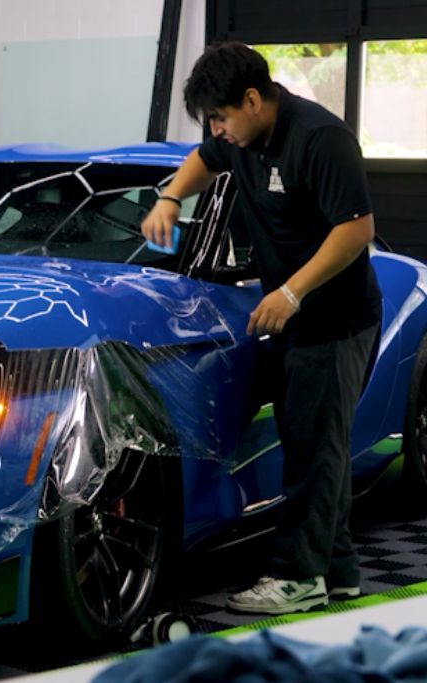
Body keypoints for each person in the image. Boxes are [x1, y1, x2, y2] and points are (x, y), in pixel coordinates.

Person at [141, 42, 381, 615]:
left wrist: (292, 291)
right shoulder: (240, 139)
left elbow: (357, 229)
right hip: (293, 317)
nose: (217, 131)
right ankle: (336, 571)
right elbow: (204, 158)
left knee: (312, 449)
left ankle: (297, 577)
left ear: (253, 99)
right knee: (315, 444)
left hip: (334, 319)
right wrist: (172, 196)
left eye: (222, 117)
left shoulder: (319, 139)